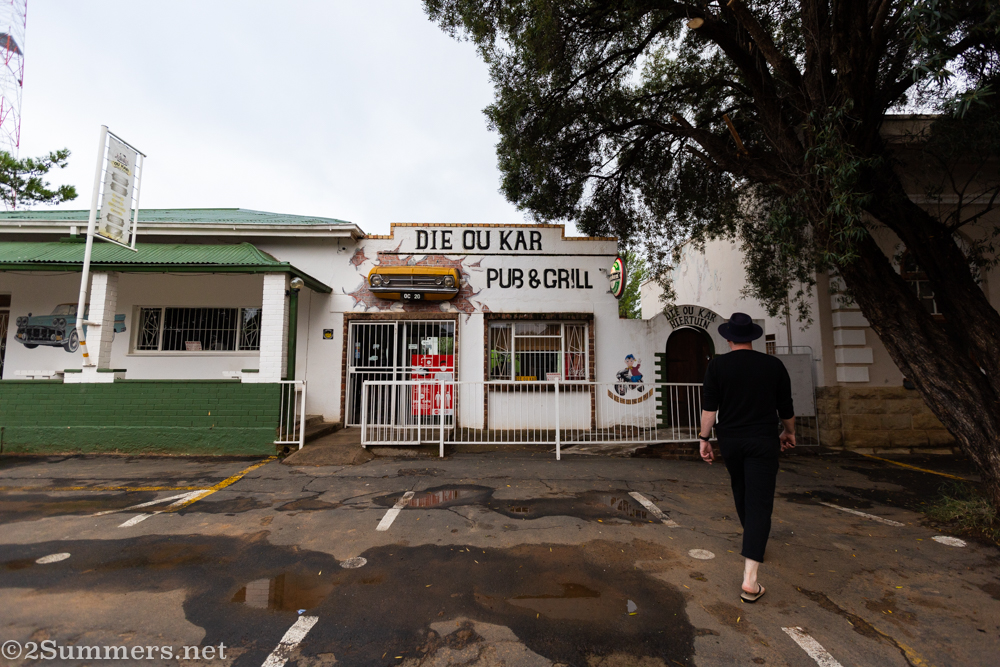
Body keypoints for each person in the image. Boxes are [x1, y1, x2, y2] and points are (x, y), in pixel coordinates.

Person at [698, 312, 795, 603]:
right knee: (759, 502)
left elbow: (709, 411)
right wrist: (789, 432)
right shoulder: (773, 365)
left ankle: (753, 540)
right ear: (753, 337)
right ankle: (750, 579)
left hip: (731, 441)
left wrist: (704, 439)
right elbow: (786, 407)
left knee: (741, 492)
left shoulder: (717, 366)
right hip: (763, 441)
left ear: (728, 338)